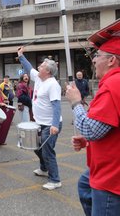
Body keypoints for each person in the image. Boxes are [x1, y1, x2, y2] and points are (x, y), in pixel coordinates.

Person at [66, 37, 120, 216]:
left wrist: (75, 103)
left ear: (111, 60)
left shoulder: (113, 85)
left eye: (98, 55)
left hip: (111, 178)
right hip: (107, 167)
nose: (94, 60)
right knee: (84, 184)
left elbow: (90, 130)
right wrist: (89, 143)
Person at [17, 46, 62, 191]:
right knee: (36, 147)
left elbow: (56, 106)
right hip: (39, 122)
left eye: (41, 65)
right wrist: (20, 55)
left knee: (48, 151)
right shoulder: (38, 77)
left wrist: (55, 125)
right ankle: (43, 168)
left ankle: (55, 180)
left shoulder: (53, 84)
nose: (38, 66)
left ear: (47, 71)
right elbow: (28, 66)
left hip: (50, 124)